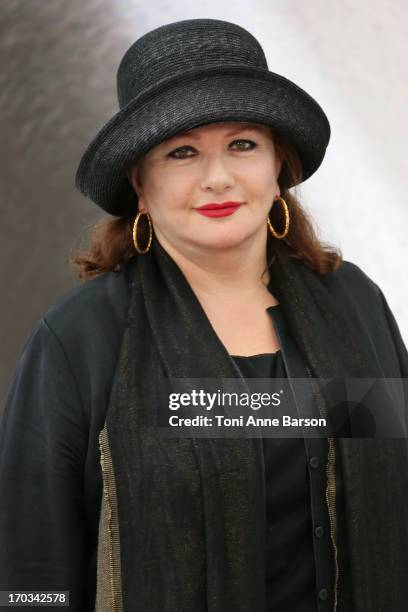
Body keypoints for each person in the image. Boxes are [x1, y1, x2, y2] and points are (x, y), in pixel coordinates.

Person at [0, 17, 407, 612]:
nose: (217, 178)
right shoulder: (80, 339)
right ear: (140, 183)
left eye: (243, 145)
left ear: (278, 167)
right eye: (182, 152)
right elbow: (31, 570)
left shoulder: (354, 304)